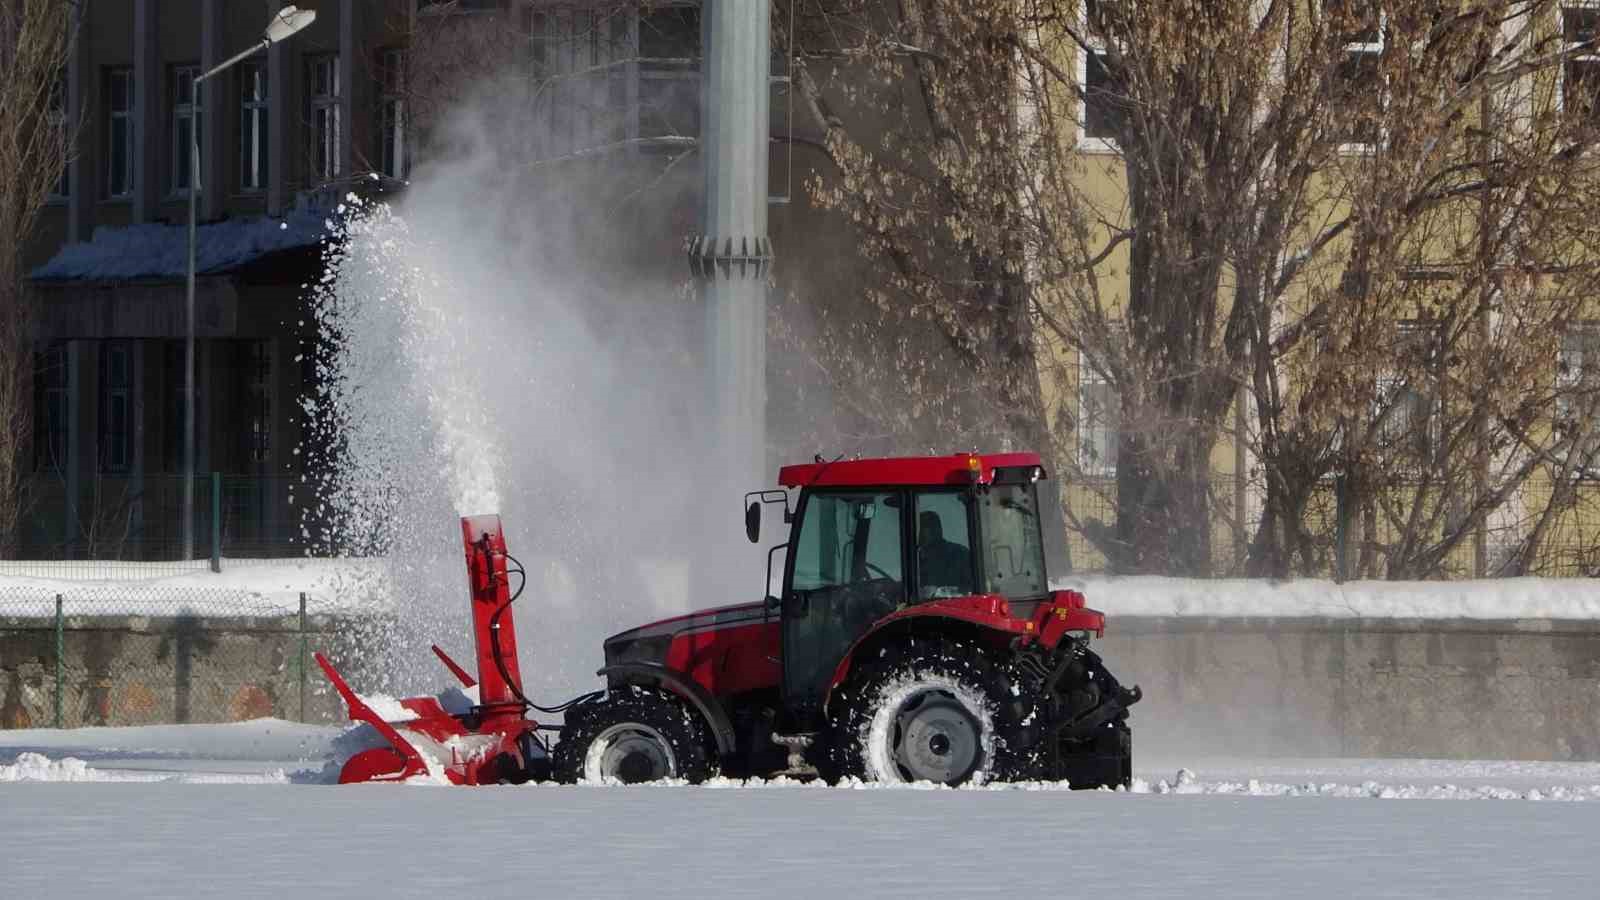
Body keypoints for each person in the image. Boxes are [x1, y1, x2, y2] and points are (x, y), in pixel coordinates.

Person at [918, 510, 973, 597]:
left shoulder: (959, 554)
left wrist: (939, 592)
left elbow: (971, 589)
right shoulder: (917, 559)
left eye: (922, 528)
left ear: (936, 529)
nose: (918, 533)